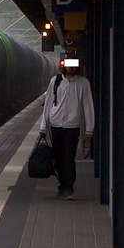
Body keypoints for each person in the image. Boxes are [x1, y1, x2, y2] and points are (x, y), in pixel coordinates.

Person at [37, 57, 94, 200]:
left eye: (74, 66)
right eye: (69, 65)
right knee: (58, 157)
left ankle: (69, 188)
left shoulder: (83, 83)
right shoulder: (55, 82)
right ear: (64, 66)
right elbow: (49, 103)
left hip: (72, 126)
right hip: (55, 125)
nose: (71, 68)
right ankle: (61, 186)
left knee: (69, 157)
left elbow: (88, 105)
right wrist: (43, 126)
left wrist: (89, 129)